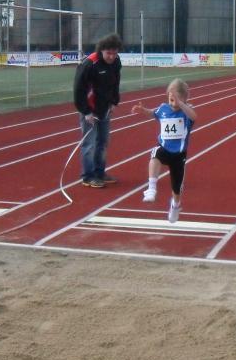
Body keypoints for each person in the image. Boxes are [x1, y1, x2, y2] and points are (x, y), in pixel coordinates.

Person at [132, 79, 197, 223]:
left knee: (176, 188)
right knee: (155, 154)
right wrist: (143, 110)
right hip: (164, 148)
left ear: (184, 98)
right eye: (170, 99)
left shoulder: (187, 111)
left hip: (179, 154)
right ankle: (151, 188)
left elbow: (194, 116)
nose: (172, 102)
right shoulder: (163, 108)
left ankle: (175, 205)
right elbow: (153, 113)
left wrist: (181, 104)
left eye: (176, 99)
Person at [73, 33, 123, 188]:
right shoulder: (89, 64)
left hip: (105, 109)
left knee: (103, 142)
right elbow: (78, 90)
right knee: (89, 144)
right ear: (101, 50)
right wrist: (86, 111)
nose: (112, 57)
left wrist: (114, 101)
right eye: (109, 53)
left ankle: (100, 172)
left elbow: (116, 82)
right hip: (90, 109)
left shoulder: (116, 62)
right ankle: (88, 176)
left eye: (114, 53)